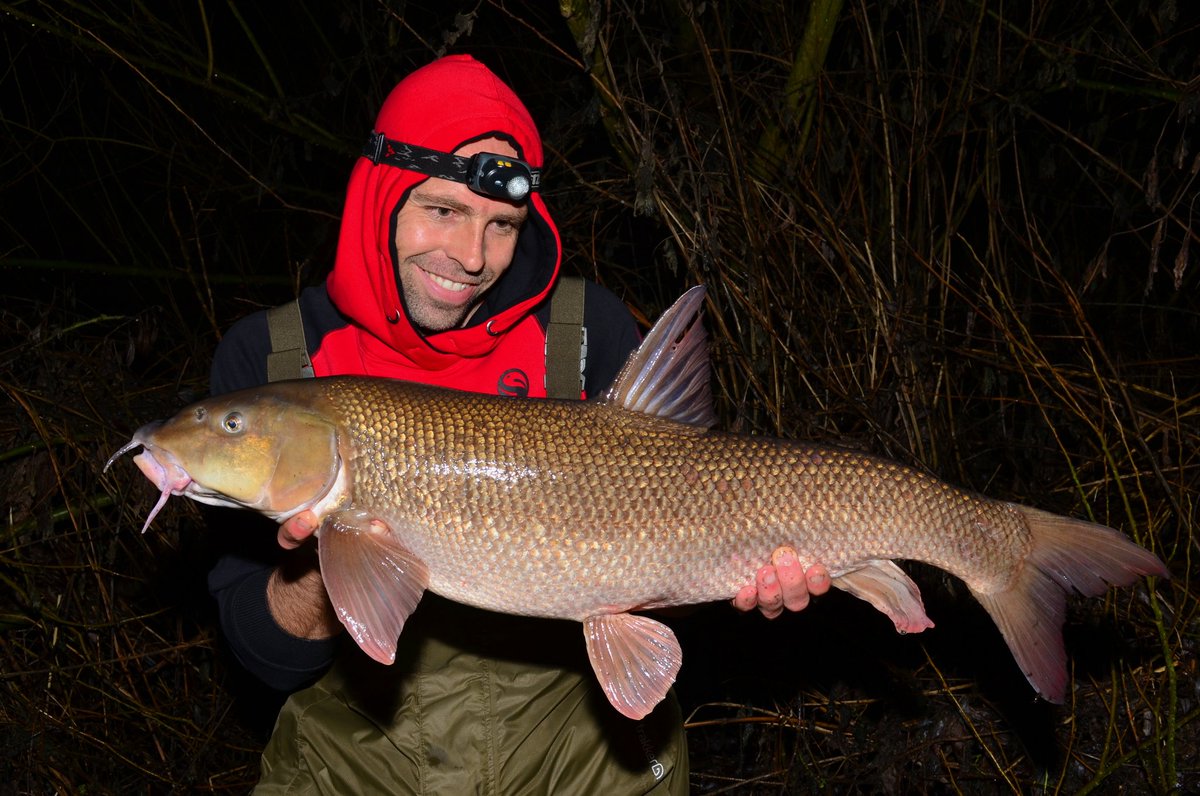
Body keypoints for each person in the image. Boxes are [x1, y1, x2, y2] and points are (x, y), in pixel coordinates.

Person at [207, 54, 830, 794]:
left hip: (581, 756)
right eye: (442, 211)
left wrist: (744, 561)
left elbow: (663, 526)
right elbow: (268, 659)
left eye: (500, 224)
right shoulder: (277, 360)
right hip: (361, 764)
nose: (471, 258)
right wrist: (330, 548)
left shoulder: (585, 328)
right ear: (380, 197)